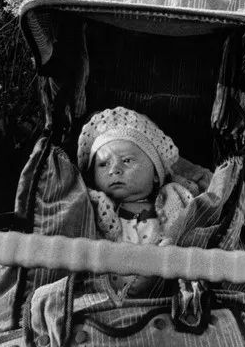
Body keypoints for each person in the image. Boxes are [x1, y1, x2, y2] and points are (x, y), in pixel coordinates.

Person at [77, 106, 203, 298]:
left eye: (127, 160)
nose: (115, 170)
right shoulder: (92, 206)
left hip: (162, 293)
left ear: (155, 174)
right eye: (103, 164)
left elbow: (185, 230)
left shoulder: (171, 197)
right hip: (105, 296)